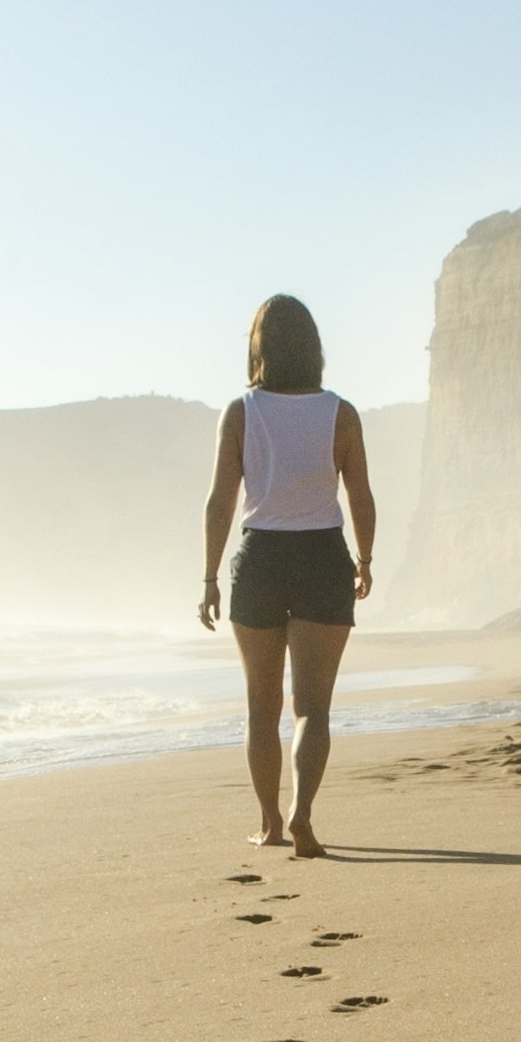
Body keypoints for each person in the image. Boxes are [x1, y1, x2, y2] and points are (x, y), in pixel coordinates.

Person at [198, 293, 376, 856]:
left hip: (261, 560)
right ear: (314, 349)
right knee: (312, 709)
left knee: (261, 705)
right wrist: (365, 560)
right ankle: (303, 815)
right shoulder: (340, 413)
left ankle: (271, 823)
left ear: (259, 348)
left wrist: (208, 578)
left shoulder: (242, 412)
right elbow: (362, 497)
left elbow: (219, 502)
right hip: (323, 556)